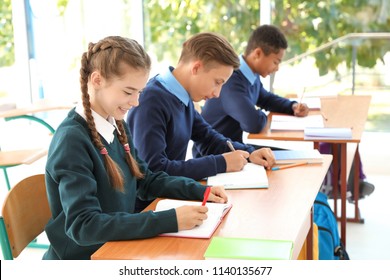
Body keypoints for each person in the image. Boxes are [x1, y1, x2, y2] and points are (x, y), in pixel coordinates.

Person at [43, 36, 228, 260]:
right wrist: (170, 220)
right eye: (128, 92)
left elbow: (145, 180)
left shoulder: (117, 125)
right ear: (97, 80)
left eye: (139, 92)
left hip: (115, 248)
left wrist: (199, 191)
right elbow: (84, 226)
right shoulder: (71, 140)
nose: (136, 102)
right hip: (85, 259)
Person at [197, 24, 374, 201]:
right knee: (298, 162)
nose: (277, 67)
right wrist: (258, 113)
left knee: (303, 158)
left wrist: (292, 106)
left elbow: (265, 98)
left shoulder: (250, 75)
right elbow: (253, 124)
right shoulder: (231, 80)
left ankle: (339, 188)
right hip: (218, 155)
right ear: (257, 53)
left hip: (237, 148)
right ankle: (330, 190)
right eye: (276, 61)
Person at [126, 32, 275, 211]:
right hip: (149, 209)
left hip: (171, 199)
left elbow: (208, 138)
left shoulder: (182, 96)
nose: (217, 93)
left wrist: (250, 153)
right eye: (217, 82)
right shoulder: (151, 100)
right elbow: (154, 170)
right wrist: (221, 162)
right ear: (196, 68)